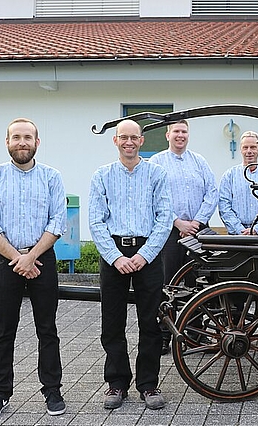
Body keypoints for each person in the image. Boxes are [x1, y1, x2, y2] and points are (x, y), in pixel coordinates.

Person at [0, 118, 67, 420]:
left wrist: (32, 257)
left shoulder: (52, 177)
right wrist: (18, 258)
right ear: (7, 142)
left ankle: (52, 390)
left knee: (47, 329)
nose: (22, 142)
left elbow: (57, 222)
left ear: (37, 143)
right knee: (4, 330)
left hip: (43, 259)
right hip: (7, 262)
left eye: (28, 137)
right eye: (16, 137)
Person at [88, 119, 172, 410]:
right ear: (115, 141)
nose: (128, 142)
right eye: (123, 137)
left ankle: (148, 385)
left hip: (147, 253)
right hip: (114, 252)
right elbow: (96, 220)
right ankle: (116, 383)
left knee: (150, 322)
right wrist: (115, 257)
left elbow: (164, 218)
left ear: (142, 141)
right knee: (112, 323)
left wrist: (144, 254)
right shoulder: (102, 175)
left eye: (133, 137)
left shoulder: (156, 174)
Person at [149, 120, 218, 355]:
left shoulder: (199, 161)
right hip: (168, 231)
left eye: (184, 132)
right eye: (176, 131)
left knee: (198, 282)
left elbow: (212, 191)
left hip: (198, 231)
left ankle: (195, 334)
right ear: (168, 135)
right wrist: (177, 222)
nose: (180, 135)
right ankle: (164, 336)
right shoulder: (157, 162)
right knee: (167, 283)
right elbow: (154, 197)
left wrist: (196, 223)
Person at [218, 130, 258, 350]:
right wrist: (239, 229)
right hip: (237, 239)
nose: (250, 151)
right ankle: (238, 328)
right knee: (237, 284)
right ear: (240, 150)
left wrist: (255, 229)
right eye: (246, 147)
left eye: (253, 147)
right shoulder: (230, 176)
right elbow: (224, 205)